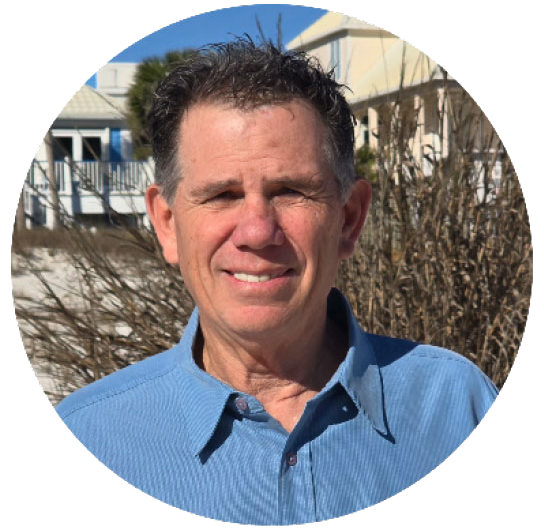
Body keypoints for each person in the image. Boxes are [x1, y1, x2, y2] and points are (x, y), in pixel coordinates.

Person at [56, 39, 498, 525]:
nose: (257, 231)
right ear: (167, 224)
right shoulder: (84, 443)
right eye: (222, 195)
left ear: (349, 219)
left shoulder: (460, 410)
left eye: (290, 191)